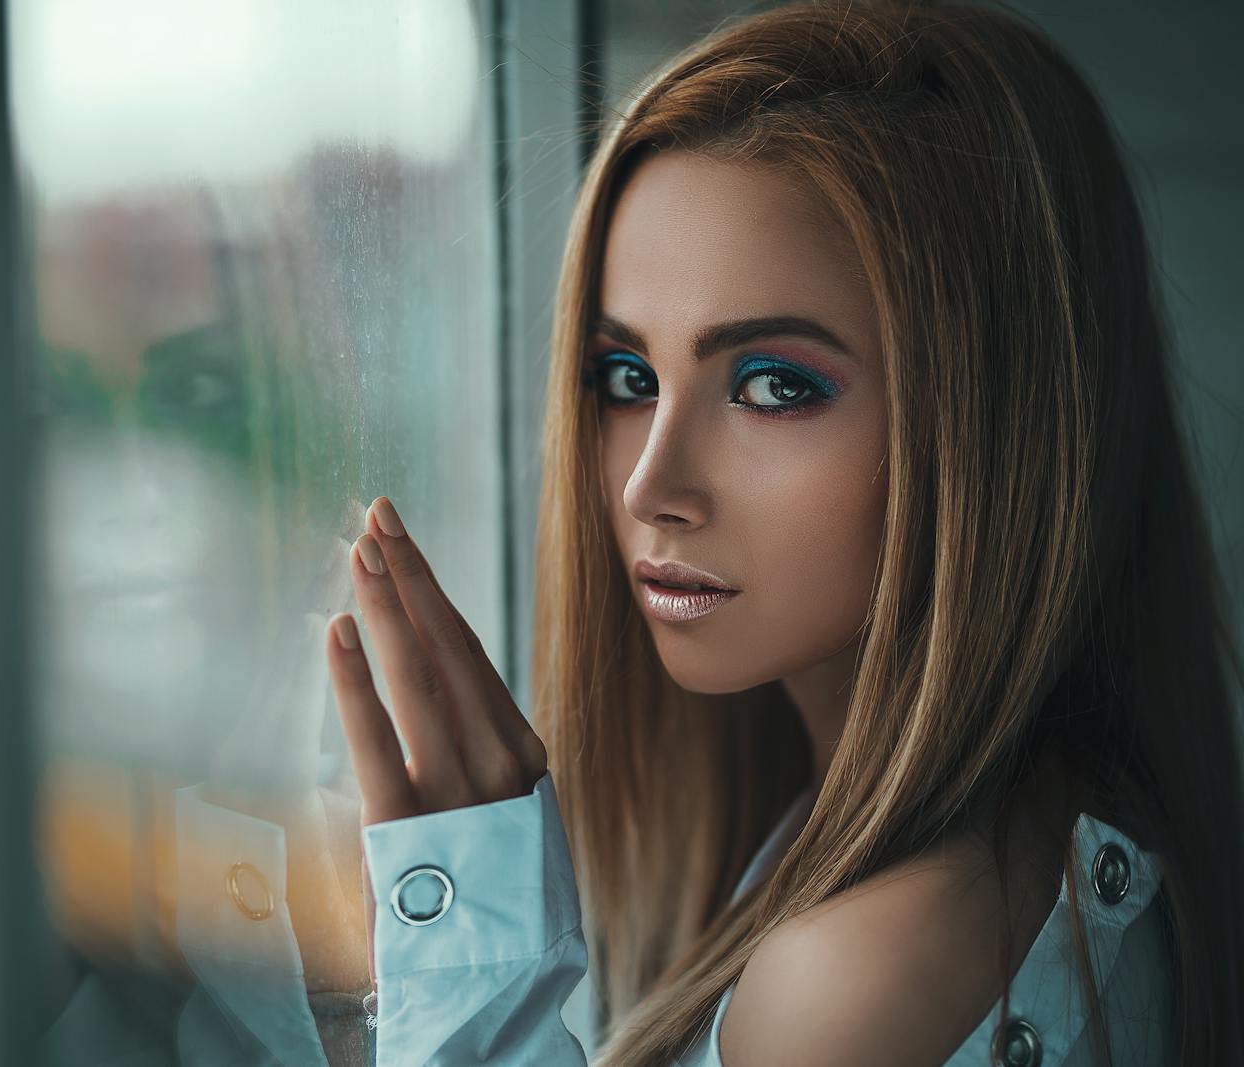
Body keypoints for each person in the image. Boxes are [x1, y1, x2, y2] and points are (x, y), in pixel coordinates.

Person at [324, 1, 1244, 1065]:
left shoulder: (860, 976)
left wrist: (474, 992)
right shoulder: (1033, 834)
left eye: (771, 384)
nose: (649, 485)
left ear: (1000, 422)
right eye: (626, 377)